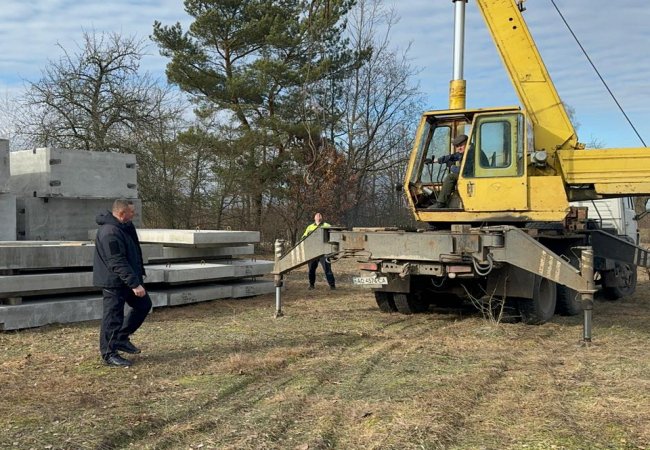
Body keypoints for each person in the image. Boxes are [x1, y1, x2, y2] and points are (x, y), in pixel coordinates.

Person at [93, 199, 152, 367]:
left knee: (143, 305)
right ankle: (109, 354)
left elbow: (134, 252)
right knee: (113, 317)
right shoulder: (110, 232)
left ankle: (121, 338)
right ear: (121, 213)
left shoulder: (125, 226)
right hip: (114, 282)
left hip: (128, 279)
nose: (134, 214)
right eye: (131, 212)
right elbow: (116, 261)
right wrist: (134, 284)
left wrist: (137, 276)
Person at [302, 212, 336, 290]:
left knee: (327, 269)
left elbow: (333, 234)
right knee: (311, 269)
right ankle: (311, 285)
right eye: (317, 215)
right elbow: (304, 237)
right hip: (313, 252)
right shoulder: (310, 227)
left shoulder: (327, 225)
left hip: (324, 252)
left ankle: (332, 286)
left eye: (320, 215)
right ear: (314, 218)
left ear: (322, 218)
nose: (318, 216)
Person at [433, 134, 468, 208]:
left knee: (451, 177)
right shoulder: (464, 153)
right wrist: (435, 161)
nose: (459, 148)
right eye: (457, 146)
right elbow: (452, 157)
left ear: (467, 143)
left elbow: (464, 171)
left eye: (461, 145)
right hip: (469, 176)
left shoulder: (471, 153)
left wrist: (451, 167)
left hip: (471, 177)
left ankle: (441, 203)